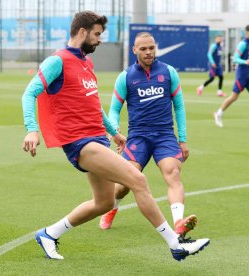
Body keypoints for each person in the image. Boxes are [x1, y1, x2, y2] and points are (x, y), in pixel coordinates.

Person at [21, 11, 209, 262]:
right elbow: (29, 93)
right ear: (82, 32)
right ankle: (176, 244)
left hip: (97, 138)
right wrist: (32, 128)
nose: (100, 40)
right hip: (80, 142)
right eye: (97, 34)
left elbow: (92, 106)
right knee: (138, 180)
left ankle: (49, 234)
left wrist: (114, 133)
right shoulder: (58, 61)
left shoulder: (86, 63)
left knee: (104, 202)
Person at [99, 32, 199, 240]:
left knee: (173, 173)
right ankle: (112, 208)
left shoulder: (169, 72)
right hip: (138, 138)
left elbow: (179, 107)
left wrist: (183, 138)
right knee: (124, 185)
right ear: (134, 50)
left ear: (156, 48)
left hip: (165, 136)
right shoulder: (125, 77)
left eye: (151, 48)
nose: (148, 52)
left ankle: (178, 223)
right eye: (143, 49)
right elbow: (115, 108)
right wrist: (115, 130)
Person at [213, 25, 249, 128]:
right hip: (241, 75)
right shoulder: (242, 44)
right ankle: (218, 113)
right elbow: (235, 59)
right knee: (234, 97)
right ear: (246, 33)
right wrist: (245, 62)